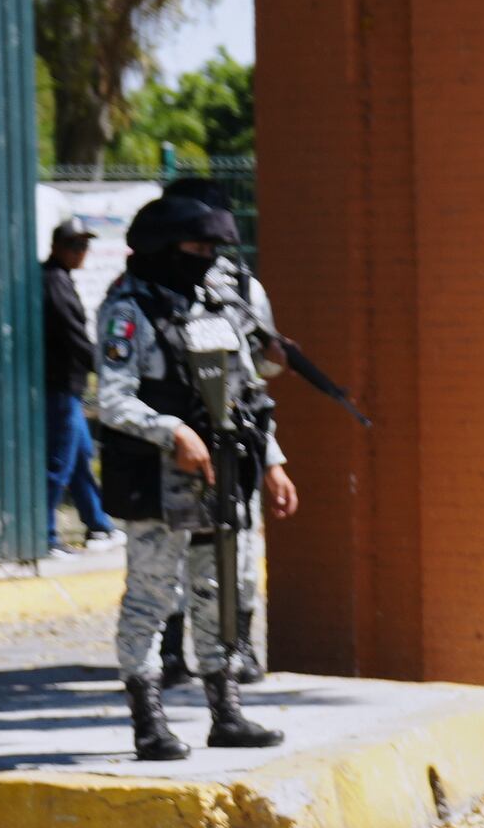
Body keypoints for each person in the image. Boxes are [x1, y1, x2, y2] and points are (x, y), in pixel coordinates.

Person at [87, 197, 299, 761]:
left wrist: (273, 463)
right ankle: (148, 722)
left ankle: (225, 713)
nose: (208, 260)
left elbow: (246, 396)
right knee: (152, 599)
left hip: (224, 475)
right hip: (159, 481)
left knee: (219, 593)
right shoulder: (127, 311)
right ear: (162, 249)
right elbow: (111, 398)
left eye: (213, 250)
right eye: (197, 249)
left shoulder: (217, 303)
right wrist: (172, 431)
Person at [40, 221, 115, 544]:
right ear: (56, 247)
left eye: (84, 246)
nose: (81, 252)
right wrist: (105, 367)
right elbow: (73, 335)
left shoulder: (59, 278)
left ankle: (98, 524)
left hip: (70, 387)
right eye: (74, 246)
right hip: (60, 387)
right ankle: (45, 535)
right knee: (60, 462)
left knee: (81, 456)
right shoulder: (53, 280)